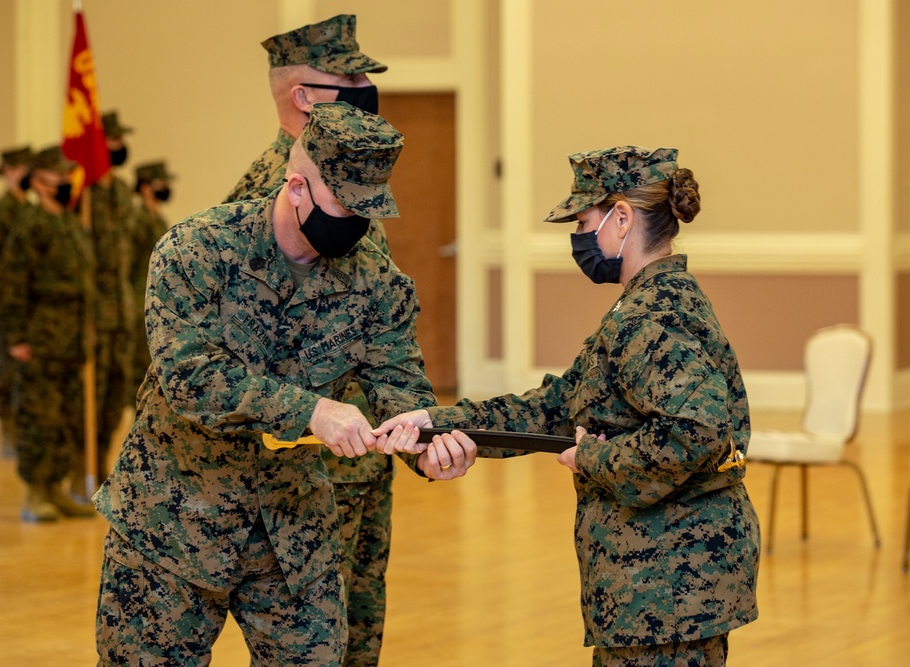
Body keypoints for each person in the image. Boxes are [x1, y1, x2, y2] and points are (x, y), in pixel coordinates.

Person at [93, 102, 470, 666]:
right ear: (297, 187)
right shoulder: (196, 250)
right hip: (172, 522)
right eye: (344, 206)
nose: (356, 225)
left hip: (291, 534)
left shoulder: (376, 281)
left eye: (369, 210)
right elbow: (190, 377)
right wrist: (311, 411)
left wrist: (428, 445)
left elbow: (400, 385)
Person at [378, 146, 760, 666]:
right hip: (662, 585)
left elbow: (698, 432)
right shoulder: (646, 302)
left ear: (621, 217)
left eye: (584, 220)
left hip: (668, 585)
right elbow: (559, 406)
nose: (579, 237)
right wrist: (435, 422)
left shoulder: (651, 316)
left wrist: (592, 459)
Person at [223, 15, 396, 666]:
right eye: (349, 78)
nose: (364, 89)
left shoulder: (349, 175)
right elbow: (248, 353)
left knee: (357, 636)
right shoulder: (273, 189)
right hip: (305, 469)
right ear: (304, 97)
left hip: (360, 453)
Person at [0, 146, 96, 522]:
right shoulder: (29, 226)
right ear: (38, 182)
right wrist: (17, 338)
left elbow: (85, 284)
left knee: (68, 416)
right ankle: (35, 493)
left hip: (71, 339)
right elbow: (11, 287)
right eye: (59, 175)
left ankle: (56, 487)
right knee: (39, 416)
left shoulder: (71, 224)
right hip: (40, 337)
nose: (68, 181)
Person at [80, 109, 136, 487]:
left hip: (122, 309)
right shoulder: (82, 194)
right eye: (111, 142)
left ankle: (104, 457)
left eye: (120, 141)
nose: (118, 147)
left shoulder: (121, 192)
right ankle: (83, 465)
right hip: (94, 312)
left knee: (117, 392)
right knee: (90, 396)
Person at [0, 145, 34, 457]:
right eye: (22, 169)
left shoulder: (27, 208)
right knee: (6, 367)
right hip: (4, 301)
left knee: (22, 371)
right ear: (9, 172)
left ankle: (22, 428)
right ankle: (7, 429)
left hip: (25, 300)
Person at [126, 160, 173, 406]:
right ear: (145, 187)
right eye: (159, 183)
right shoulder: (136, 219)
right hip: (136, 301)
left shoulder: (157, 218)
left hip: (153, 301)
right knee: (136, 368)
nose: (164, 187)